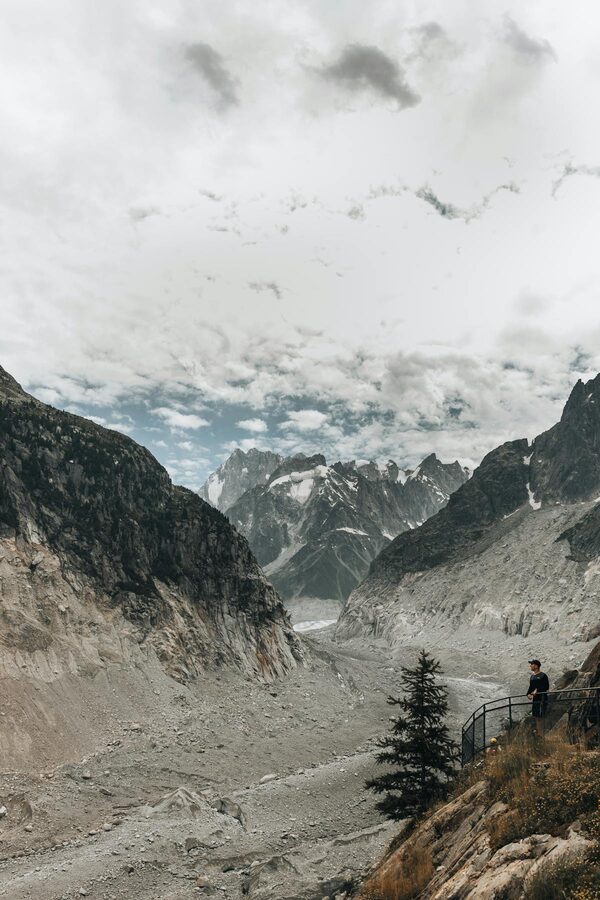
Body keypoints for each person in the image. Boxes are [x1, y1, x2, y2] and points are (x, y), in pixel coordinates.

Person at [527, 659, 549, 736]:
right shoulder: (532, 677)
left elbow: (546, 687)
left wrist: (537, 691)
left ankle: (542, 734)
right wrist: (528, 694)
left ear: (536, 666)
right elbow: (531, 687)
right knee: (536, 716)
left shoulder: (543, 675)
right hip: (535, 699)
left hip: (542, 698)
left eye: (532, 664)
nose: (530, 666)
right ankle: (538, 733)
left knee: (540, 716)